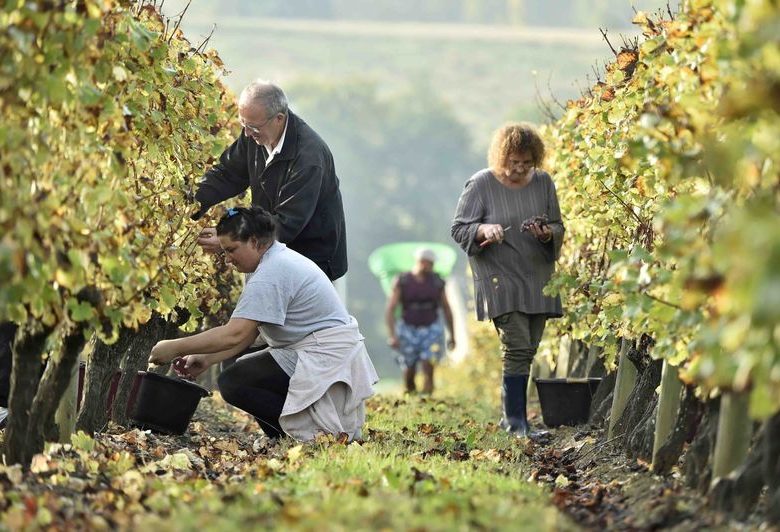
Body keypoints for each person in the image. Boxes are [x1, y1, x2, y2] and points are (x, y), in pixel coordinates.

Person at [149, 206, 378, 441]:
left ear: (256, 242)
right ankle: (286, 435)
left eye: (231, 250)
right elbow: (247, 334)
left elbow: (235, 334)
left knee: (233, 382)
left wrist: (173, 347)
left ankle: (308, 435)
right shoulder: (270, 260)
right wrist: (206, 359)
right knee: (232, 368)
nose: (227, 259)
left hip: (325, 353)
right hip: (312, 347)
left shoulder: (272, 272)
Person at [450, 122, 564, 437]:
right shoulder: (481, 184)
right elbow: (460, 228)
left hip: (537, 276)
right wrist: (484, 230)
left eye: (527, 163)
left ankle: (513, 420)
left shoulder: (543, 183)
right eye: (514, 162)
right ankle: (516, 423)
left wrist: (546, 234)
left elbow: (557, 226)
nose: (520, 169)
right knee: (516, 347)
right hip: (500, 277)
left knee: (528, 348)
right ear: (502, 156)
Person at [192, 80, 347, 281]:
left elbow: (286, 224)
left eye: (253, 128)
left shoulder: (309, 158)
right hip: (268, 247)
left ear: (279, 118)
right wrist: (191, 202)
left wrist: (227, 238)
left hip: (311, 260)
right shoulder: (254, 132)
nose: (247, 134)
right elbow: (228, 174)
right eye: (243, 124)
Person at [384, 248, 455, 395]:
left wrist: (452, 335)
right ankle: (411, 395)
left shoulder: (437, 282)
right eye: (427, 263)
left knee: (428, 364)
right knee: (409, 367)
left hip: (431, 327)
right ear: (420, 262)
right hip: (408, 328)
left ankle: (427, 399)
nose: (429, 266)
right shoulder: (403, 281)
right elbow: (390, 309)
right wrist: (392, 335)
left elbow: (447, 308)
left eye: (431, 264)